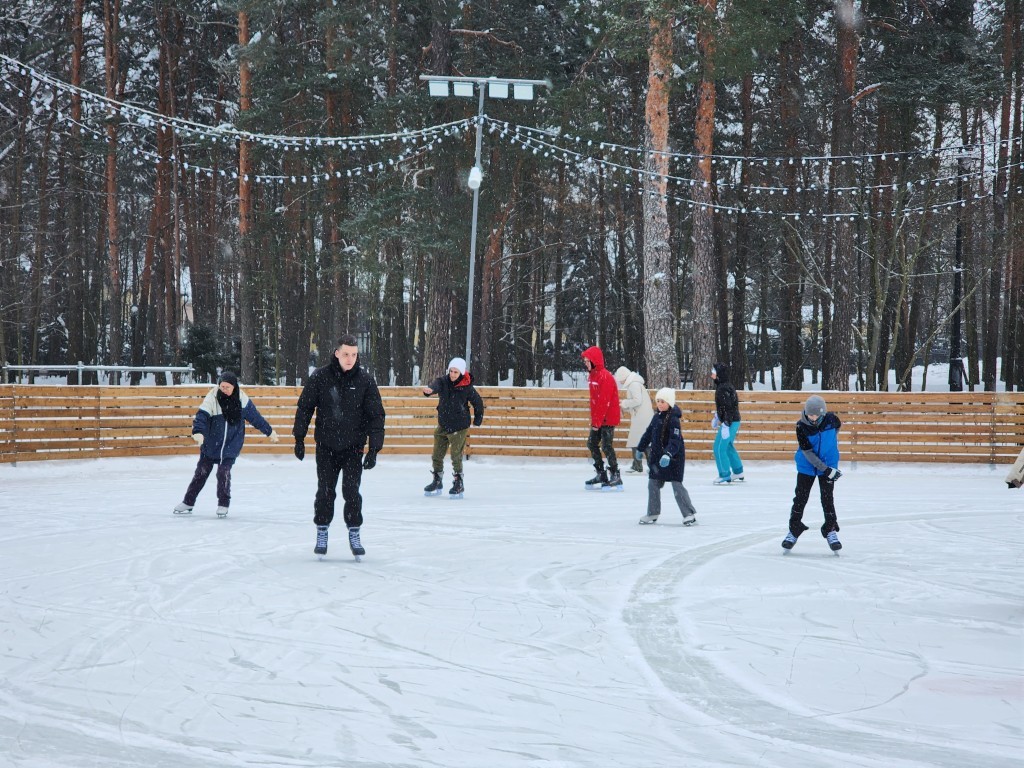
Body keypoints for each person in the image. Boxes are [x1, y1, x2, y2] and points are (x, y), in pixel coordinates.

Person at [292, 334, 386, 558]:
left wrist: (374, 449)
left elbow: (376, 415)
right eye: (346, 354)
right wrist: (299, 437)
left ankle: (354, 532)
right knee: (325, 491)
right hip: (326, 445)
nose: (350, 358)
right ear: (337, 353)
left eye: (354, 355)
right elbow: (305, 407)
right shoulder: (321, 377)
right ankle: (322, 531)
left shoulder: (365, 380)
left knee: (351, 492)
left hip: (353, 447)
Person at [173, 371, 279, 517]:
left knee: (223, 472)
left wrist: (269, 431)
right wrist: (198, 431)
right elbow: (201, 415)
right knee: (201, 473)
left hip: (231, 444)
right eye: (222, 386)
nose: (224, 390)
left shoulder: (242, 399)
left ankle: (223, 504)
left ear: (234, 387)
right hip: (210, 444)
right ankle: (188, 502)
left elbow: (255, 418)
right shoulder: (212, 397)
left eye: (227, 387)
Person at [782, 394, 843, 552]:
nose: (813, 418)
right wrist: (825, 469)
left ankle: (830, 530)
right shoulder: (801, 426)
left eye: (816, 414)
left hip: (829, 463)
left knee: (827, 498)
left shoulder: (832, 420)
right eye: (810, 414)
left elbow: (835, 433)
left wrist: (830, 460)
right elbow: (808, 453)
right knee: (800, 498)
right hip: (807, 466)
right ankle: (794, 530)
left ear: (823, 413)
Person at [422, 357, 485, 498]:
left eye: (456, 372)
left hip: (459, 425)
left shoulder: (466, 386)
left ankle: (459, 483)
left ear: (461, 373)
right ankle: (437, 480)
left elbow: (478, 402)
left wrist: (478, 419)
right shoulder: (443, 381)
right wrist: (430, 390)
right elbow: (436, 385)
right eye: (451, 371)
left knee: (456, 455)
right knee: (437, 454)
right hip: (443, 424)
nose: (452, 374)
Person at [637, 387, 698, 526]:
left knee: (677, 486)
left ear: (669, 402)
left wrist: (669, 454)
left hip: (674, 458)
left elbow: (675, 440)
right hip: (657, 458)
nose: (659, 404)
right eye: (657, 401)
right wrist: (640, 448)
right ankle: (653, 512)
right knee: (652, 484)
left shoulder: (673, 419)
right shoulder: (656, 416)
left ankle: (689, 514)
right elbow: (648, 433)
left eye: (662, 401)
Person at [581, 345, 622, 490]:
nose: (585, 363)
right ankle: (601, 473)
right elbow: (595, 401)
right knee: (592, 443)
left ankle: (616, 475)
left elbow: (604, 402)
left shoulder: (606, 377)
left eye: (587, 361)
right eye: (585, 361)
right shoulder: (593, 375)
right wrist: (595, 420)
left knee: (606, 445)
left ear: (594, 361)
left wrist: (597, 422)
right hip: (599, 419)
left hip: (608, 418)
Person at [614, 365, 654, 474]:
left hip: (641, 418)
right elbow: (636, 403)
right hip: (642, 417)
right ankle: (648, 466)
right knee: (641, 442)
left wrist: (624, 403)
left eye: (620, 379)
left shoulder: (633, 385)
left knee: (638, 442)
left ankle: (641, 466)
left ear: (624, 377)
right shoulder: (635, 383)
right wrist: (625, 406)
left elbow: (637, 401)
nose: (620, 382)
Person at [711, 362, 745, 485]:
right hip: (733, 420)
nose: (711, 374)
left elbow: (729, 407)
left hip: (731, 421)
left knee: (719, 448)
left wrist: (726, 423)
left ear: (719, 374)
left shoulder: (723, 388)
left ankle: (724, 475)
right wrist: (717, 416)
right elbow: (724, 406)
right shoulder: (723, 385)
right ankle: (738, 471)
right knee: (728, 446)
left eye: (713, 371)